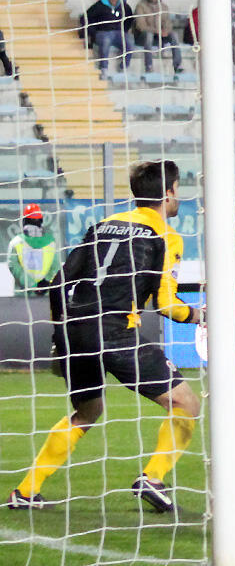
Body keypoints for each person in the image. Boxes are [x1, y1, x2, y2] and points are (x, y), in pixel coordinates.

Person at [7, 161, 205, 512]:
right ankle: (153, 478)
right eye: (177, 189)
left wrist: (60, 335)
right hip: (115, 331)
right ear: (168, 193)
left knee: (87, 411)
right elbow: (165, 305)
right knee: (186, 403)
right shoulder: (166, 236)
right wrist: (200, 315)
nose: (178, 196)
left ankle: (25, 491)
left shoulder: (102, 226)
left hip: (75, 331)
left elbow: (59, 282)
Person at [7, 203, 59, 294]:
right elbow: (55, 267)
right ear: (41, 221)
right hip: (45, 293)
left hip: (23, 294)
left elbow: (13, 266)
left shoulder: (16, 242)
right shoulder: (51, 242)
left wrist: (31, 284)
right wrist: (46, 283)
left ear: (24, 221)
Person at [83, 0, 134, 75]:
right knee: (106, 41)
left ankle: (124, 67)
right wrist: (93, 32)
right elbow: (84, 19)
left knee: (129, 41)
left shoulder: (124, 7)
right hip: (103, 33)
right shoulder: (99, 6)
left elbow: (130, 19)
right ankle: (104, 68)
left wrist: (125, 30)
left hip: (119, 33)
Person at [132, 0, 182, 75]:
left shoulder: (164, 7)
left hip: (159, 37)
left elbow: (168, 24)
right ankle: (149, 66)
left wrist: (165, 31)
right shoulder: (140, 7)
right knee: (149, 35)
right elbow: (141, 26)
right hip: (142, 37)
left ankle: (177, 65)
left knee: (174, 35)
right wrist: (157, 31)